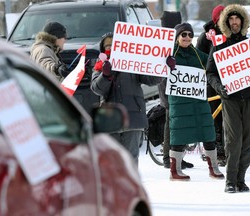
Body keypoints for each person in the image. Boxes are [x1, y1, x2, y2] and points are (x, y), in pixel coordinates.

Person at [206, 4, 250, 193]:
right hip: (230, 99)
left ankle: (241, 179)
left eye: (237, 19)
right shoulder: (220, 45)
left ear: (243, 21)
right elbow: (210, 72)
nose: (234, 22)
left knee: (246, 140)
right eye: (231, 19)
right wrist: (220, 87)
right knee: (233, 140)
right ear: (226, 22)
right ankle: (230, 179)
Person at [90, 32, 162, 165]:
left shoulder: (133, 63)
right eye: (107, 46)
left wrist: (164, 67)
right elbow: (97, 88)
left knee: (130, 161)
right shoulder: (99, 67)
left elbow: (151, 79)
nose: (111, 48)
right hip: (110, 121)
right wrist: (106, 75)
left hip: (133, 119)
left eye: (114, 45)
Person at [167, 22, 224, 181]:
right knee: (179, 135)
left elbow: (214, 63)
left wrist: (215, 45)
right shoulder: (170, 55)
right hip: (180, 103)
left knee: (208, 132)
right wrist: (167, 65)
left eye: (190, 35)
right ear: (177, 36)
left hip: (199, 101)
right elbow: (157, 72)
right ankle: (174, 170)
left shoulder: (198, 55)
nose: (187, 38)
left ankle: (213, 167)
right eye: (183, 34)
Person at [158, 11, 193, 170]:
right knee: (171, 125)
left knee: (179, 125)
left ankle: (177, 157)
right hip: (168, 89)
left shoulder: (176, 40)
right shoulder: (164, 43)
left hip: (179, 88)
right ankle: (168, 157)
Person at [196, 5, 226, 166]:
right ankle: (214, 150)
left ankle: (224, 149)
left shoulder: (231, 35)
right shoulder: (205, 37)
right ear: (216, 19)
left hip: (229, 82)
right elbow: (198, 59)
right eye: (221, 16)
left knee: (227, 118)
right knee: (213, 117)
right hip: (210, 83)